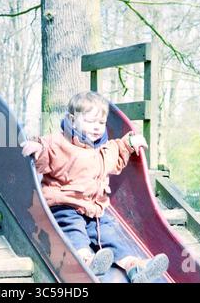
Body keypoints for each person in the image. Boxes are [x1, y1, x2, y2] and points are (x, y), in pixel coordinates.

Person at [21, 91, 169, 282]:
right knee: (74, 230)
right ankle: (85, 259)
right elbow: (44, 149)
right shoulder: (58, 142)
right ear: (73, 120)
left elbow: (119, 149)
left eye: (101, 122)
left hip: (95, 210)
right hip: (64, 205)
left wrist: (131, 142)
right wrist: (37, 148)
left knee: (110, 235)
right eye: (91, 122)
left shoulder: (105, 148)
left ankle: (135, 267)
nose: (97, 127)